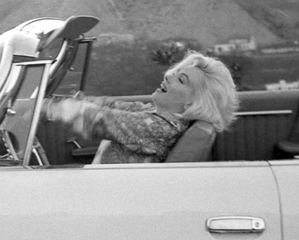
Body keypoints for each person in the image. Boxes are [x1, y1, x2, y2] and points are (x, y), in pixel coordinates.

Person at [44, 51, 239, 164]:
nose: (168, 76)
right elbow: (109, 105)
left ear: (193, 102)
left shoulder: (161, 128)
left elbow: (97, 119)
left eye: (181, 79)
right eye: (175, 72)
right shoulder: (151, 113)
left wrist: (45, 108)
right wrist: (59, 100)